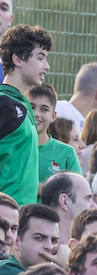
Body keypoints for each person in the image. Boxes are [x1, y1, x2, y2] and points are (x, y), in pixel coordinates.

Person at [0, 26, 50, 205]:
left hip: (22, 218)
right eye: (40, 58)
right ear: (18, 59)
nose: (46, 66)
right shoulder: (4, 103)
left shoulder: (22, 104)